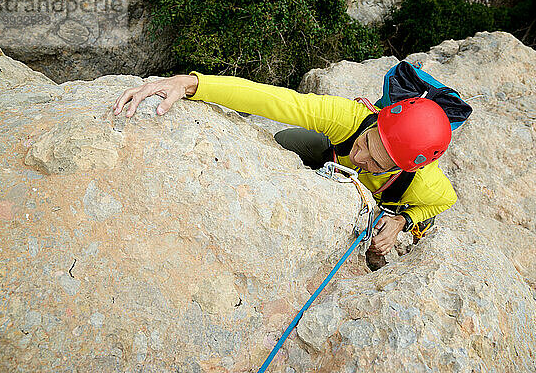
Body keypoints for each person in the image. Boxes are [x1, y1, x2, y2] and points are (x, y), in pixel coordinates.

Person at [113, 70, 461, 268]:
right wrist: (190, 84)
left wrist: (402, 221)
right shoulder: (350, 119)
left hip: (373, 192)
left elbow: (442, 202)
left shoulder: (424, 182)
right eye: (367, 144)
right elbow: (274, 99)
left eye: (377, 163)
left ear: (403, 167)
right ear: (373, 122)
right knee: (286, 139)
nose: (361, 159)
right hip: (327, 152)